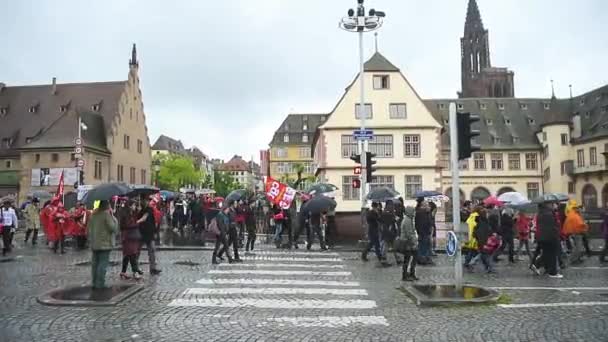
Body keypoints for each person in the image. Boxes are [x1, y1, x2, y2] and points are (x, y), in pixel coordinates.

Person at [87, 200, 118, 289]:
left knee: (95, 264)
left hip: (94, 243)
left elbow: (89, 228)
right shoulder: (106, 215)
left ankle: (94, 282)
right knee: (102, 264)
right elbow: (113, 228)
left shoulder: (93, 215)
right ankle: (100, 283)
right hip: (104, 243)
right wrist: (113, 217)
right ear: (106, 206)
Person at [535, 202, 563, 278]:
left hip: (543, 237)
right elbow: (552, 226)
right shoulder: (549, 214)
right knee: (552, 255)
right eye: (551, 204)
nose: (553, 205)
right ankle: (553, 272)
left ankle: (541, 266)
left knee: (547, 254)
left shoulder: (541, 213)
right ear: (547, 205)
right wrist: (556, 232)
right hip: (550, 237)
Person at [119, 200, 143, 280]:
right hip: (127, 237)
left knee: (128, 255)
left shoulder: (133, 213)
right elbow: (126, 225)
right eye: (133, 205)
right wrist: (136, 223)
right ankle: (135, 271)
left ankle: (123, 271)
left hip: (132, 237)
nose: (135, 207)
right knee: (132, 254)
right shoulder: (125, 214)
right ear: (129, 206)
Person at [138, 199, 162, 275]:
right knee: (137, 252)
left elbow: (152, 220)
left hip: (149, 233)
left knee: (152, 251)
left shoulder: (149, 210)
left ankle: (153, 268)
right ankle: (135, 268)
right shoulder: (140, 210)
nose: (146, 202)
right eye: (145, 200)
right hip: (141, 233)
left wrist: (154, 230)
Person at [563, 200, 588, 265]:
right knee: (578, 247)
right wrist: (585, 224)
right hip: (577, 233)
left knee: (577, 247)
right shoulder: (574, 215)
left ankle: (576, 259)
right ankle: (573, 259)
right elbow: (579, 223)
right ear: (574, 208)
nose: (578, 209)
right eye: (576, 208)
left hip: (575, 233)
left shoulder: (572, 214)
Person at [398, 206, 418, 281]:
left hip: (408, 242)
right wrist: (414, 243)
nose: (414, 213)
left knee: (411, 258)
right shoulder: (407, 220)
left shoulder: (409, 219)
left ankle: (411, 273)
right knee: (408, 259)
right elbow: (409, 234)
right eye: (413, 211)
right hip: (407, 243)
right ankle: (406, 275)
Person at [415, 199, 433, 265]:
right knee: (423, 246)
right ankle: (422, 259)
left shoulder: (424, 212)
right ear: (423, 206)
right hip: (424, 232)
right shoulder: (422, 212)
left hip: (423, 232)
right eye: (427, 205)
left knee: (424, 246)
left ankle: (424, 258)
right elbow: (424, 223)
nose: (429, 206)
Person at [381, 200, 400, 264]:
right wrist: (395, 219)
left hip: (391, 231)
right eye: (391, 205)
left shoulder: (389, 212)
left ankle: (397, 258)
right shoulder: (386, 213)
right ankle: (383, 259)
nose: (393, 206)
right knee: (386, 245)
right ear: (388, 205)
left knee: (393, 246)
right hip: (388, 231)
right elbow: (389, 222)